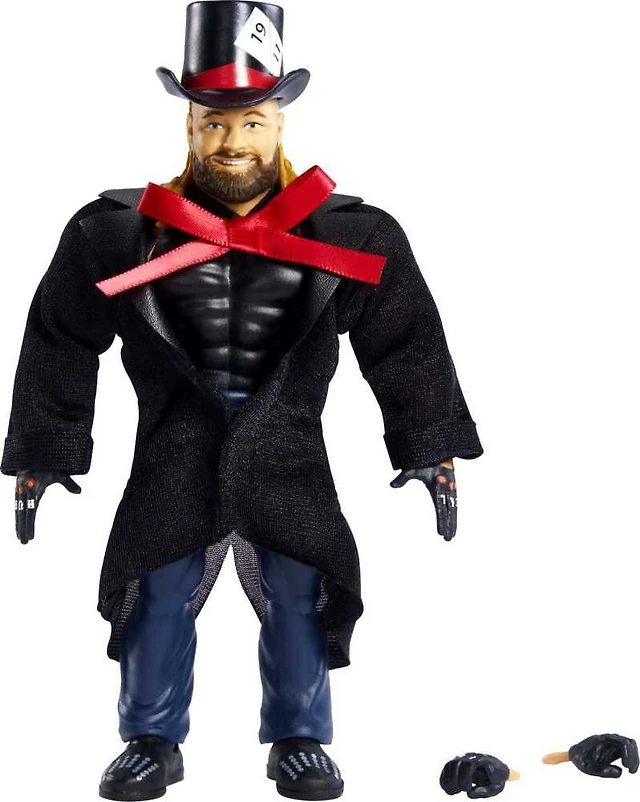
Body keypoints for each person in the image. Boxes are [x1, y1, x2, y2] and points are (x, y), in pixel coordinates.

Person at [2, 2, 483, 800]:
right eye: (214, 122)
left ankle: (300, 740)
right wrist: (45, 451)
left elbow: (405, 341)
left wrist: (430, 445)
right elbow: (60, 335)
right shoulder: (114, 235)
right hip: (173, 446)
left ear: (279, 124)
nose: (233, 140)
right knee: (156, 592)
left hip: (287, 450)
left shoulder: (352, 235)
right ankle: (151, 742)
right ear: (188, 127)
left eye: (252, 122)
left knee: (301, 592)